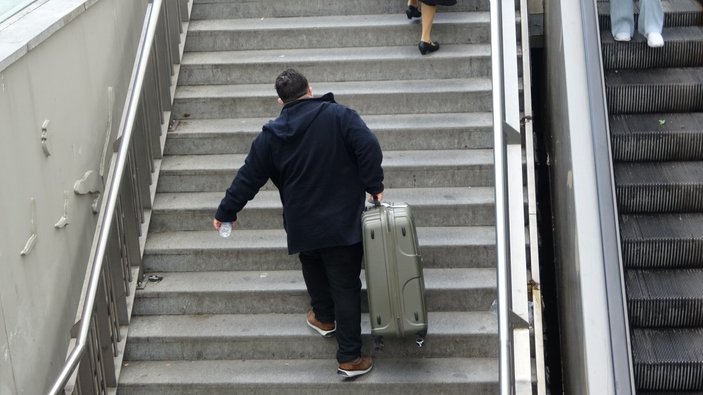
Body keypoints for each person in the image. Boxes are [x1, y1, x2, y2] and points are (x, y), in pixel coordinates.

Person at [213, 68, 384, 378]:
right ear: (310, 90)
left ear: (281, 101)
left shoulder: (271, 136)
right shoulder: (339, 116)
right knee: (346, 287)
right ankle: (349, 357)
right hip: (342, 224)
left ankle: (323, 317)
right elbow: (368, 145)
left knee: (313, 265)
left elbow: (248, 177)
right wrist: (374, 185)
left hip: (302, 223)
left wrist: (226, 211)